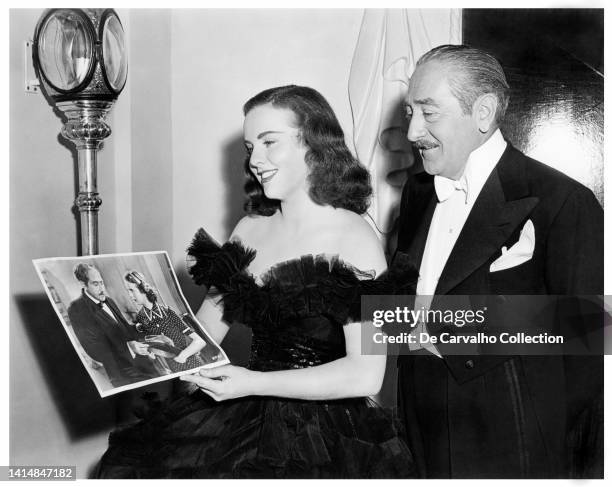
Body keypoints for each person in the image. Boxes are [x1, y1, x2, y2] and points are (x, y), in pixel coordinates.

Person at [96, 85, 418, 478]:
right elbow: (200, 335)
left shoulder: (355, 237)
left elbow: (365, 374)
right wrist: (127, 336)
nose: (256, 160)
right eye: (250, 147)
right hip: (240, 408)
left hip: (324, 437)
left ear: (314, 145)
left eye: (270, 142)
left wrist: (253, 382)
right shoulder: (248, 230)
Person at [396, 45, 603, 478]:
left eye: (429, 113)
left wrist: (546, 438)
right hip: (418, 410)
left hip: (511, 425)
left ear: (484, 112)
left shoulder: (562, 201)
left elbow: (586, 347)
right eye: (409, 111)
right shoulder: (416, 193)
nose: (413, 131)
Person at [68, 263, 157, 388]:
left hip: (143, 363)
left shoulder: (109, 300)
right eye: (95, 284)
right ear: (83, 284)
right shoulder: (76, 309)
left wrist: (141, 327)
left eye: (102, 282)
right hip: (123, 375)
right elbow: (94, 350)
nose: (102, 288)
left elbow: (124, 329)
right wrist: (130, 348)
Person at [123, 270, 207, 373]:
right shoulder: (141, 317)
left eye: (131, 290)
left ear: (142, 289)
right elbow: (153, 349)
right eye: (128, 291)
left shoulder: (167, 311)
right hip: (173, 370)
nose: (130, 295)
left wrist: (182, 356)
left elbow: (200, 342)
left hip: (192, 363)